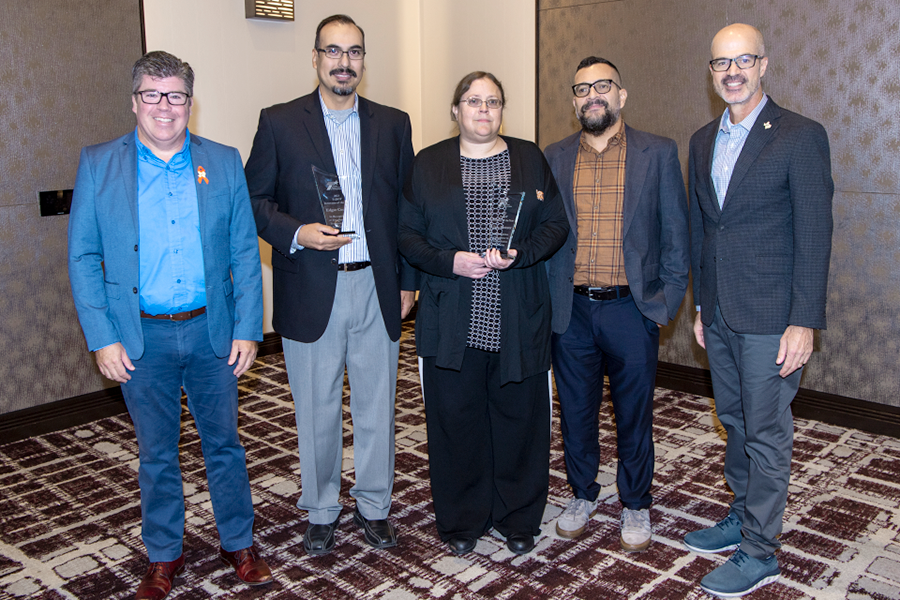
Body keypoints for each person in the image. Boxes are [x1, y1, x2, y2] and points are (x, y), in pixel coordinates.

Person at [67, 51, 272, 600]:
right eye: (153, 95)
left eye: (176, 95)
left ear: (189, 102)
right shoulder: (99, 163)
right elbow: (84, 255)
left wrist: (249, 327)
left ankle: (239, 542)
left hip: (213, 332)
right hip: (140, 337)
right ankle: (164, 556)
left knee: (223, 443)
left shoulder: (223, 162)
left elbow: (243, 254)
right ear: (135, 101)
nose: (165, 106)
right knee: (157, 452)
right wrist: (102, 335)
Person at [244, 14, 415, 556]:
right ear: (315, 58)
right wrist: (297, 233)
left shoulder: (394, 123)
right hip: (311, 287)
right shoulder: (279, 122)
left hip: (377, 288)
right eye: (333, 51)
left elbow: (408, 212)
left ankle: (374, 506)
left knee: (377, 407)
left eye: (355, 51)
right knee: (315, 409)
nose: (344, 62)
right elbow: (252, 204)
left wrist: (408, 282)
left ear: (364, 59)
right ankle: (320, 508)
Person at [685, 23, 833, 597]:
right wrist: (701, 306)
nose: (732, 71)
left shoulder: (799, 135)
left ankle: (761, 550)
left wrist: (805, 321)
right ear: (712, 71)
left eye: (744, 60)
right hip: (720, 312)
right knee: (736, 422)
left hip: (774, 316)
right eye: (722, 63)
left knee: (766, 430)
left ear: (764, 64)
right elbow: (704, 230)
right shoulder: (701, 139)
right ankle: (742, 517)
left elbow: (815, 234)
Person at [399, 72, 569, 556]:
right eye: (473, 101)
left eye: (493, 101)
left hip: (517, 315)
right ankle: (461, 521)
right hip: (453, 317)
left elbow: (556, 225)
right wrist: (447, 261)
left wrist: (525, 253)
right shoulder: (428, 164)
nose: (483, 110)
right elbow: (406, 234)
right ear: (455, 110)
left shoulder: (529, 158)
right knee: (457, 423)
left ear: (502, 110)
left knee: (521, 421)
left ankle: (518, 518)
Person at [544, 57, 690, 552]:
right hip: (572, 312)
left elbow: (677, 236)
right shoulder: (556, 156)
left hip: (632, 309)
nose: (592, 96)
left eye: (602, 85)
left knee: (634, 413)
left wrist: (664, 304)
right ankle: (583, 494)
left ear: (621, 95)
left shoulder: (658, 152)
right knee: (577, 412)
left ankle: (636, 503)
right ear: (574, 101)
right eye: (582, 88)